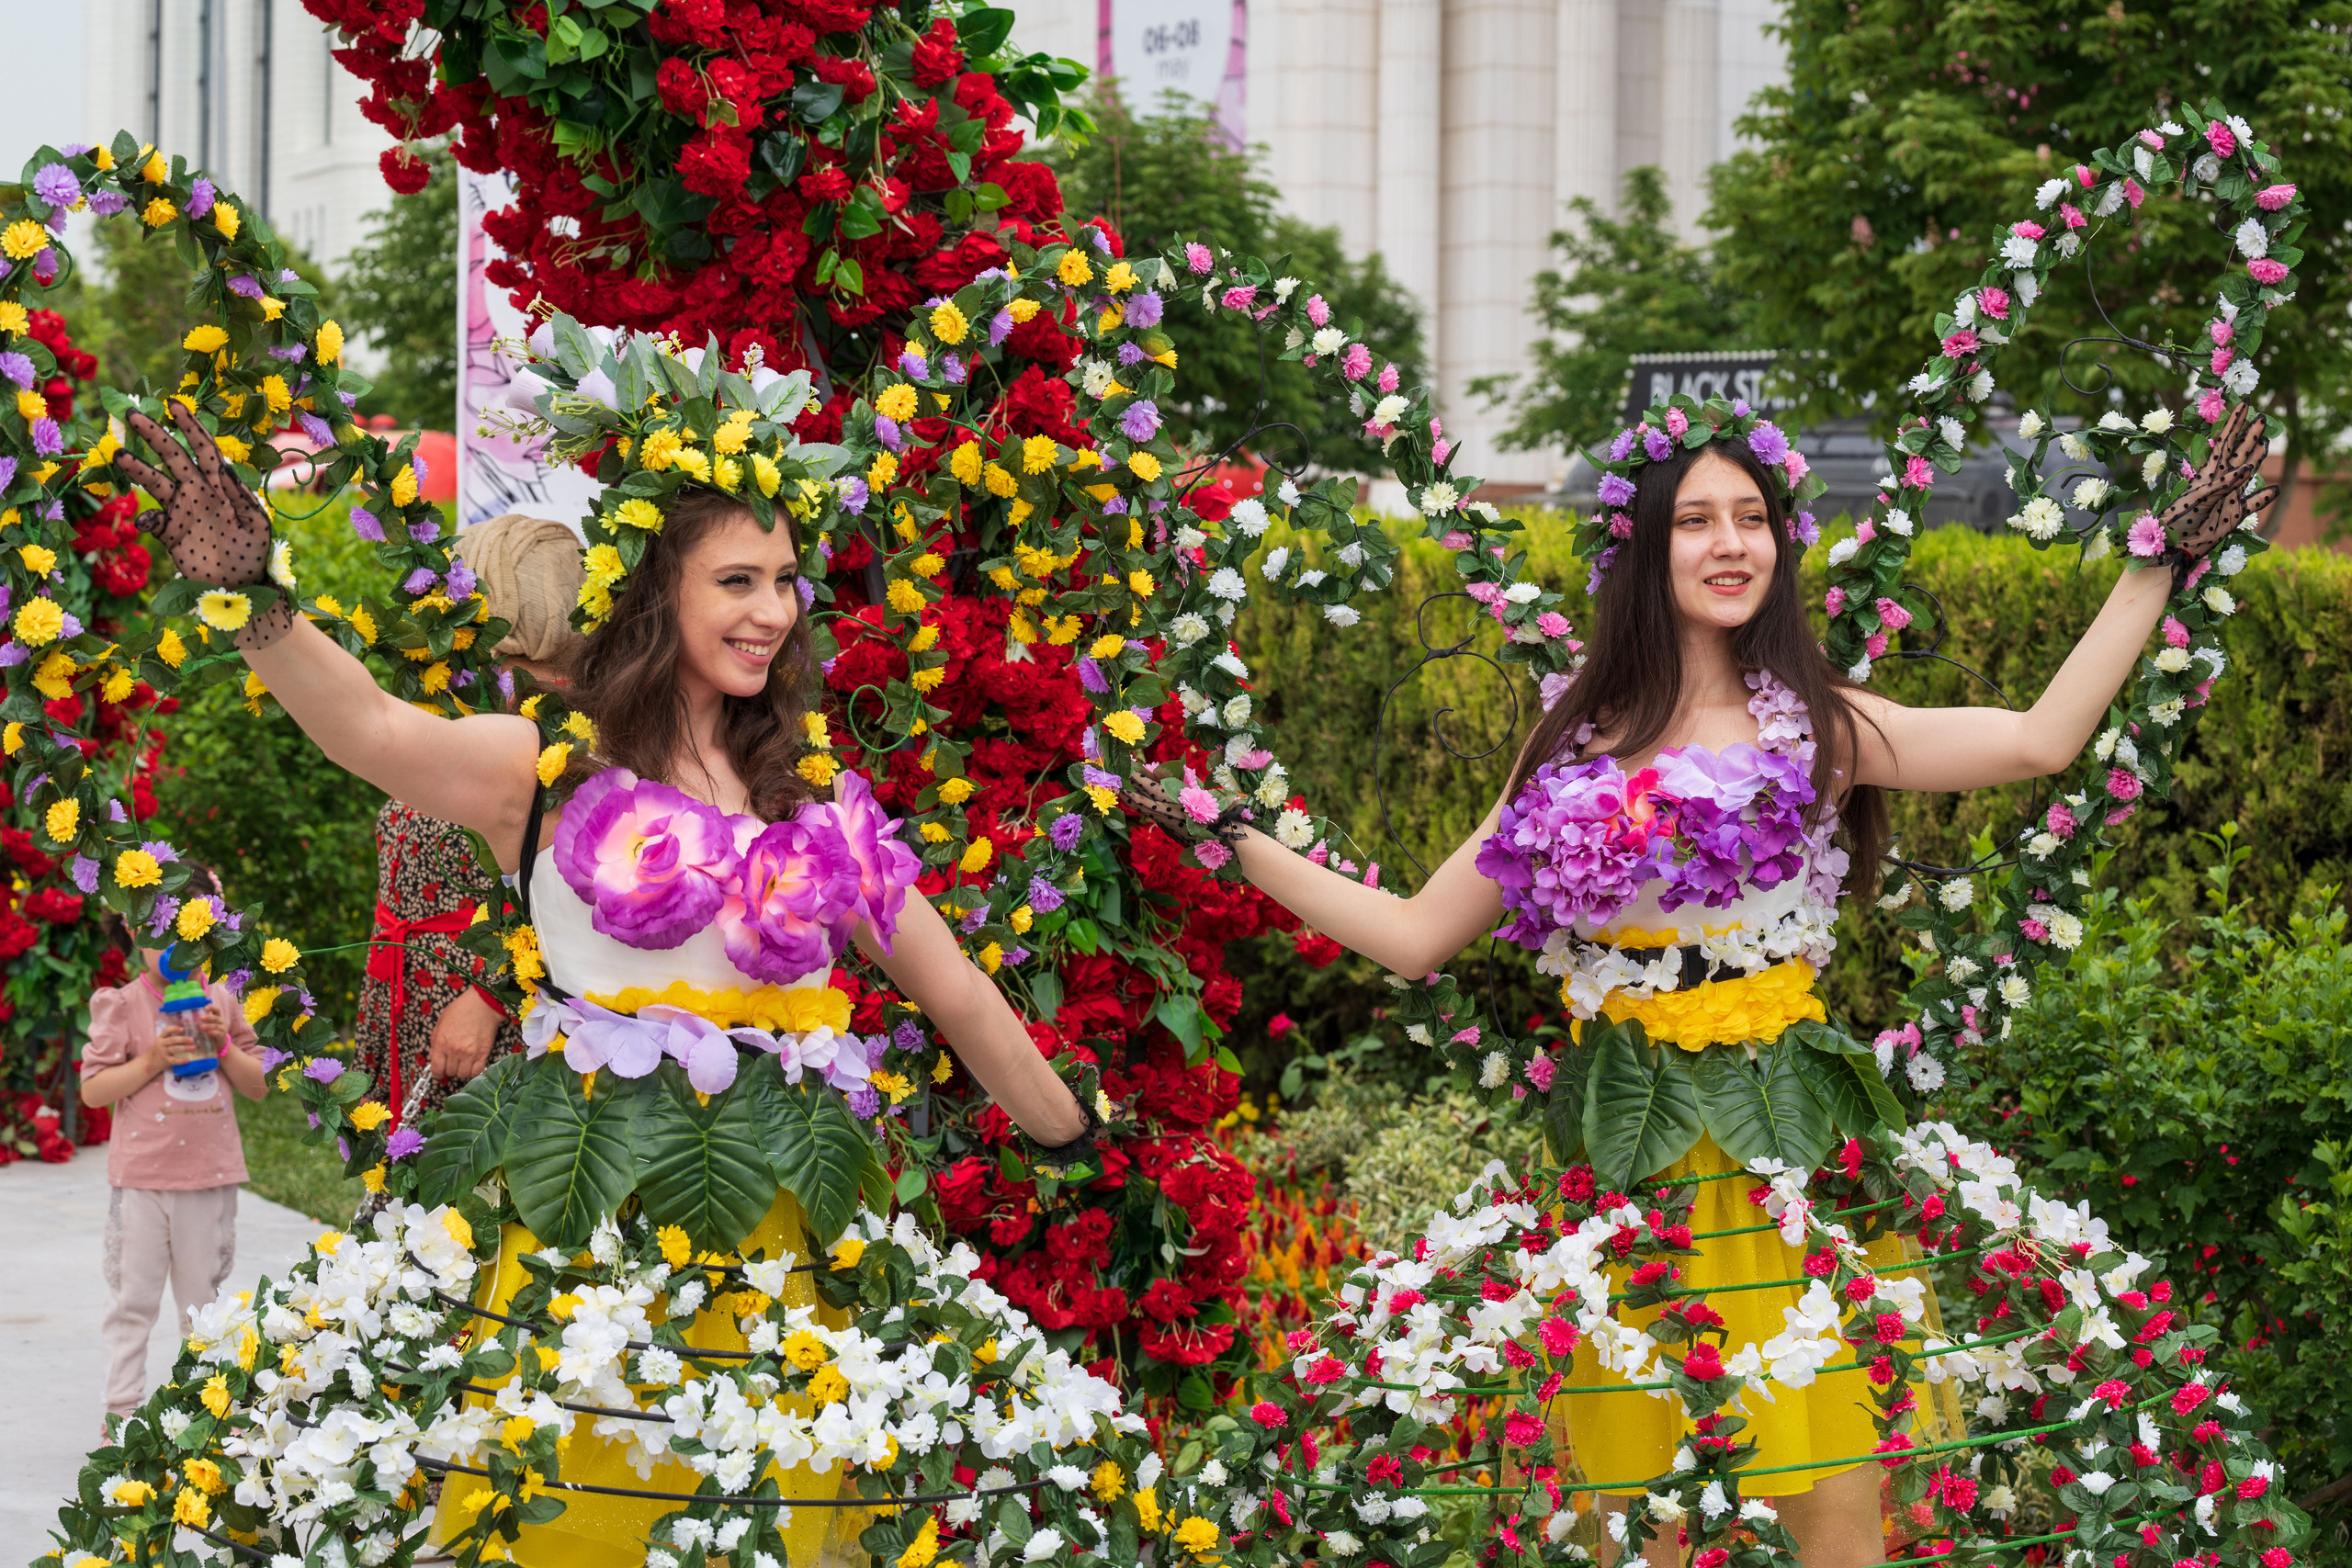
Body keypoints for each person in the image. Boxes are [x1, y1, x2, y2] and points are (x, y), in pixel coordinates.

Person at [1128, 401, 2273, 1568]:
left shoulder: (1819, 728)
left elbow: (2036, 742)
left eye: (1752, 518)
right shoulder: (1573, 743)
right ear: (1641, 548)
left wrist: (2157, 566)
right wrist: (1228, 841)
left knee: (1831, 1513)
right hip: (1633, 1173)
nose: (1731, 544)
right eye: (1695, 521)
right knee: (1646, 1528)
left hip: (1787, 1168)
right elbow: (1417, 933)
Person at [115, 402, 1093, 1565]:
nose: (773, 610)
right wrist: (256, 601)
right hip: (593, 1238)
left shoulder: (814, 803)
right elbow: (372, 727)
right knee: (583, 1520)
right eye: (738, 579)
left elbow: (962, 997)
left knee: (770, 1519)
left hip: (787, 1245)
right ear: (653, 590)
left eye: (786, 580)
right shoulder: (544, 768)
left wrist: (1079, 1146)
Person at [352, 512, 586, 1119]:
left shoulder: (575, 734)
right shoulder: (473, 694)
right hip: (407, 998)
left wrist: (489, 997)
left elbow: (582, 904)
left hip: (489, 1030)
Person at [77, 862, 268, 1434]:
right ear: (132, 931)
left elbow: (260, 1084)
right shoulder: (121, 1004)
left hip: (207, 1180)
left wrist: (224, 1046)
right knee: (132, 1301)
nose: (175, 951)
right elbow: (92, 1090)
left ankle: (203, 1408)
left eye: (188, 938)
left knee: (202, 1307)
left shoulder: (224, 1001)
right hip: (141, 1179)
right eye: (159, 936)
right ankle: (123, 1410)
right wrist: (151, 1060)